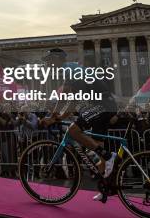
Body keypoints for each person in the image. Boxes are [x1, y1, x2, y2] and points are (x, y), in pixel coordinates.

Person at [40, 48, 118, 201]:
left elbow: (67, 100)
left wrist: (54, 117)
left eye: (49, 60)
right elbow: (70, 100)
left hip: (102, 105)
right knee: (97, 149)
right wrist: (57, 116)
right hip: (104, 105)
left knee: (73, 130)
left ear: (57, 59)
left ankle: (109, 157)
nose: (48, 64)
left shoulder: (68, 70)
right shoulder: (71, 69)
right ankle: (106, 187)